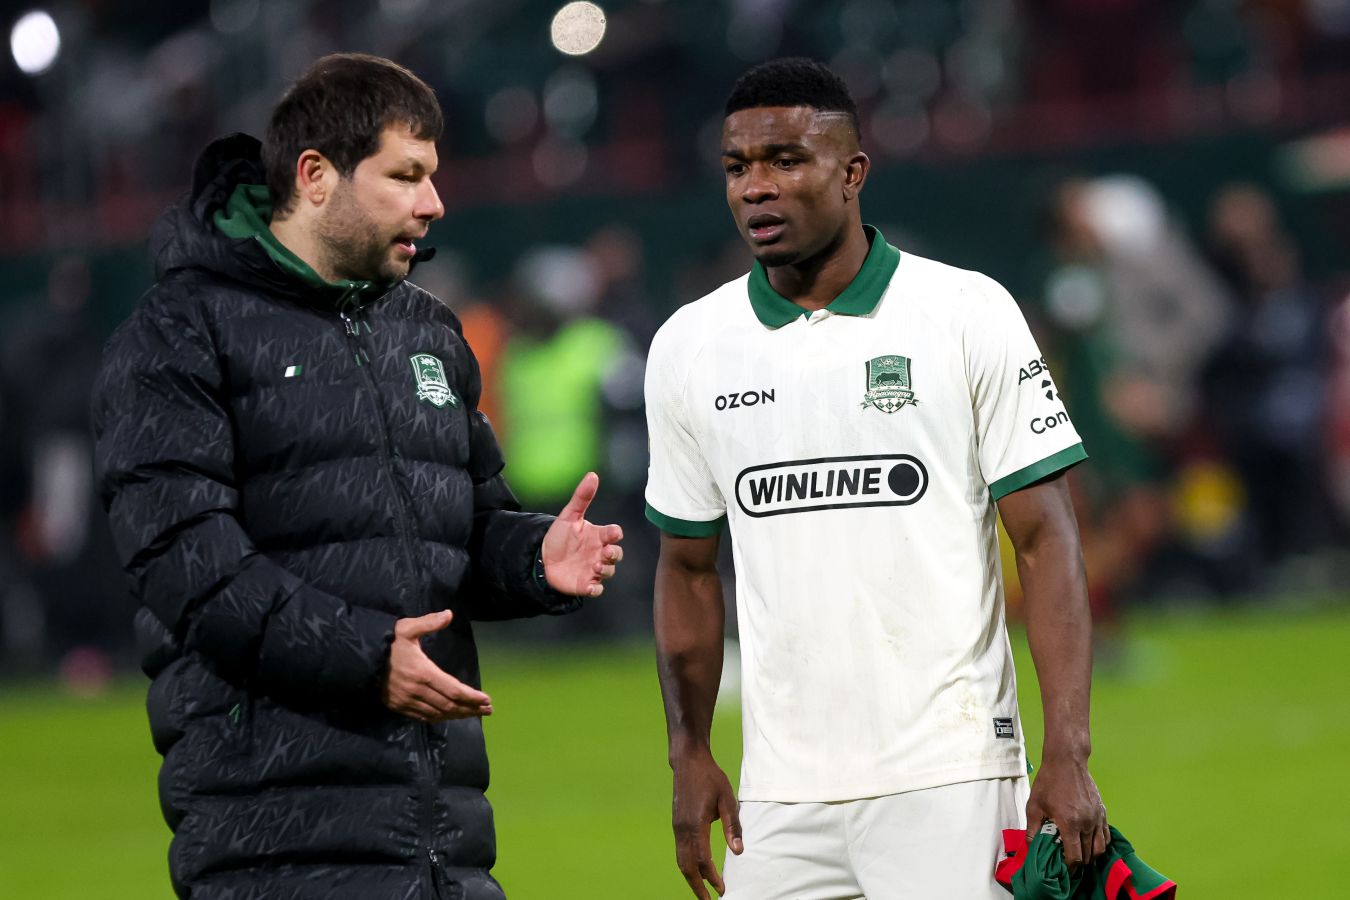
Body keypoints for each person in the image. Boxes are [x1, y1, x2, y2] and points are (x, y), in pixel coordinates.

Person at [92, 53, 623, 900]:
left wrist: (533, 557)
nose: (433, 202)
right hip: (271, 844)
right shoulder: (180, 333)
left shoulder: (430, 332)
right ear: (314, 177)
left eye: (432, 176)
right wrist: (367, 657)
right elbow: (185, 562)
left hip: (442, 846)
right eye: (405, 175)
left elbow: (462, 532)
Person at [644, 58, 1107, 900]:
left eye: (787, 160)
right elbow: (686, 568)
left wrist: (1067, 752)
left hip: (952, 777)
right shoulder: (688, 346)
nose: (756, 187)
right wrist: (690, 752)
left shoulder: (966, 313)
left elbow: (1045, 539)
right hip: (777, 796)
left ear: (853, 172)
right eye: (738, 167)